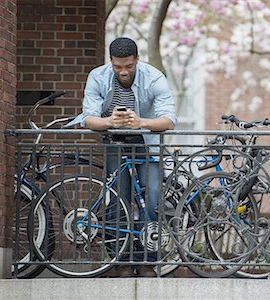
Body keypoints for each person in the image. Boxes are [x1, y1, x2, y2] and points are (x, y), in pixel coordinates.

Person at [67, 37, 176, 277]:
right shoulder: (98, 76)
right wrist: (109, 122)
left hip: (147, 144)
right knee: (118, 201)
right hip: (115, 143)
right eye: (118, 66)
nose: (123, 71)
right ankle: (122, 260)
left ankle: (148, 260)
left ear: (137, 60)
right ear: (111, 62)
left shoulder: (154, 77)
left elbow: (169, 120)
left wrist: (141, 122)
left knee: (154, 197)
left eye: (128, 66)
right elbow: (88, 118)